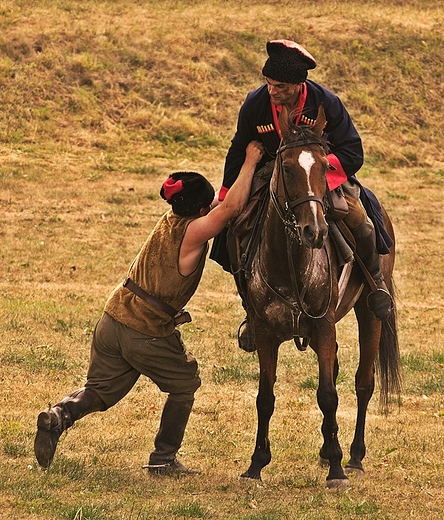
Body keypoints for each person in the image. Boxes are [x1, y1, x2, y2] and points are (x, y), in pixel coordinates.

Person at [34, 140, 264, 475]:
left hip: (113, 319)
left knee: (100, 391)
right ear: (202, 211)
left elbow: (220, 204)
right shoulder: (195, 232)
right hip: (145, 329)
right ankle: (163, 459)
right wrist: (251, 160)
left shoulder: (171, 216)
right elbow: (229, 210)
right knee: (185, 383)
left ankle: (59, 415)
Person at [209, 39, 393, 352]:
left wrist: (321, 173)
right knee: (234, 228)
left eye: (279, 86)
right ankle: (251, 310)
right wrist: (226, 193)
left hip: (322, 176)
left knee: (361, 220)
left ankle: (376, 285)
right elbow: (238, 148)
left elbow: (352, 150)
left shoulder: (326, 102)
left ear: (298, 84)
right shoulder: (255, 103)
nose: (272, 91)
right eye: (268, 83)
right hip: (272, 177)